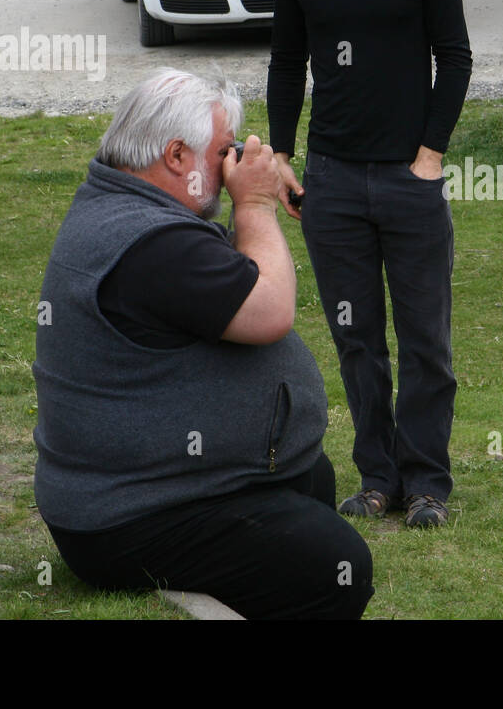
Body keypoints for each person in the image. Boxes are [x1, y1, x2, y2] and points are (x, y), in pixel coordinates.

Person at [33, 70, 372, 619]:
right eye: (223, 153)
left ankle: (211, 588)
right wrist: (256, 208)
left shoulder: (125, 209)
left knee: (311, 478)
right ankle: (186, 589)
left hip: (143, 491)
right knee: (336, 566)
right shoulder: (151, 243)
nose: (231, 167)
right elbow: (270, 312)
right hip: (130, 516)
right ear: (175, 156)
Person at [267, 0, 472, 528]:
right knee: (357, 340)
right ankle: (377, 479)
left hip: (407, 183)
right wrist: (284, 156)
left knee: (425, 343)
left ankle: (427, 485)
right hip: (332, 181)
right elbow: (286, 63)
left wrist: (430, 156)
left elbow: (456, 56)